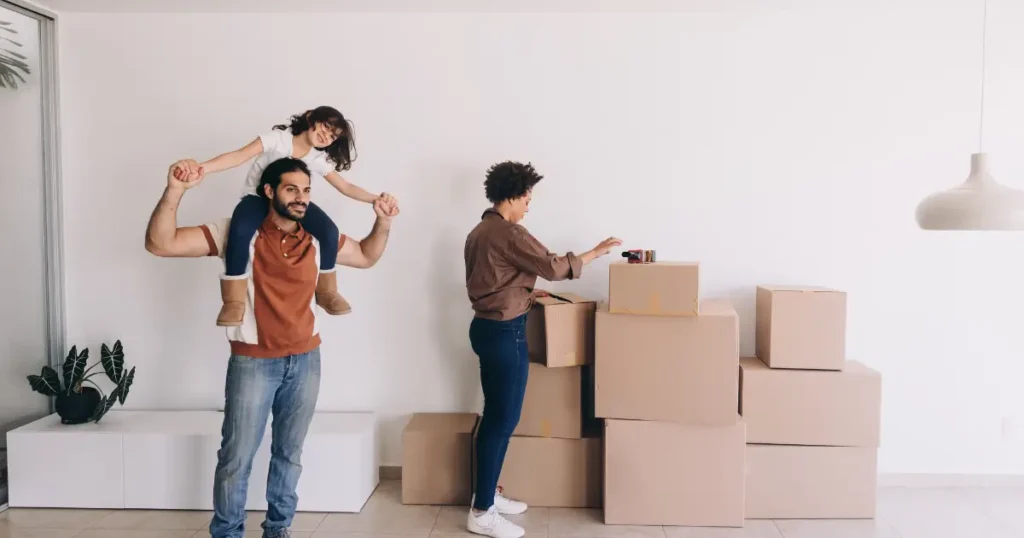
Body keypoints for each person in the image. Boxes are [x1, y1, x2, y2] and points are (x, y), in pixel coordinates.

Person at [145, 156, 399, 538]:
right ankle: (228, 532)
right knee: (236, 458)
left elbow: (365, 255)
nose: (301, 198)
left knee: (289, 455)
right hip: (253, 363)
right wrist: (175, 191)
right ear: (269, 191)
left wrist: (383, 221)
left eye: (307, 191)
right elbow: (161, 243)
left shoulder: (317, 239)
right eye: (291, 189)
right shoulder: (236, 232)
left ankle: (278, 529)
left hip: (306, 361)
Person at [463, 161, 621, 538]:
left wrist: (524, 291)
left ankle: (485, 495)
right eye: (527, 198)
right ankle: (482, 511)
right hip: (506, 334)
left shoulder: (478, 231)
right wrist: (596, 252)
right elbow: (553, 266)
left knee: (495, 417)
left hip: (485, 329)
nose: (529, 205)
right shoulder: (510, 233)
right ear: (513, 196)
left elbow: (495, 281)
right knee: (503, 421)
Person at [172, 105, 396, 327]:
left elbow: (345, 187)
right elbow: (239, 156)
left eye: (332, 136)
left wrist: (376, 199)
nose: (326, 136)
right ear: (310, 119)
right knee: (239, 232)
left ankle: (327, 290)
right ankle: (234, 300)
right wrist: (202, 168)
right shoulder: (278, 139)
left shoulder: (318, 158)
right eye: (325, 127)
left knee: (329, 231)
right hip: (257, 198)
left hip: (291, 202)